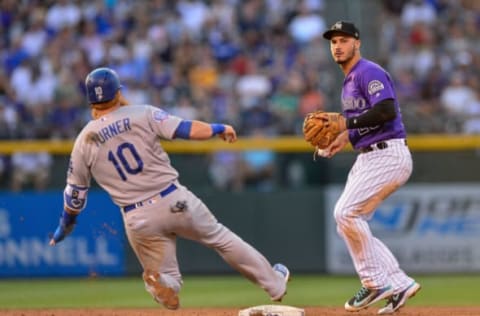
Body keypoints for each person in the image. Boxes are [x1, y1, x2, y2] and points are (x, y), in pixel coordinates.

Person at [48, 67, 289, 310]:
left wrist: (64, 225)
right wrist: (217, 128)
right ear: (118, 92)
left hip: (137, 217)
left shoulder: (83, 141)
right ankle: (274, 284)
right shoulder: (142, 113)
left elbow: (75, 195)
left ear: (91, 100)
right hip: (173, 199)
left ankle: (162, 283)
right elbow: (185, 129)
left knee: (169, 279)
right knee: (220, 238)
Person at [320, 21, 421, 314]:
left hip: (388, 154)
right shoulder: (349, 80)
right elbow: (365, 121)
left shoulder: (368, 71)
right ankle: (400, 283)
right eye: (333, 42)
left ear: (357, 43)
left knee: (345, 212)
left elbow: (387, 110)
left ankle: (375, 282)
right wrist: (344, 137)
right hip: (368, 155)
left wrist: (346, 123)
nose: (337, 45)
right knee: (347, 225)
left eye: (343, 40)